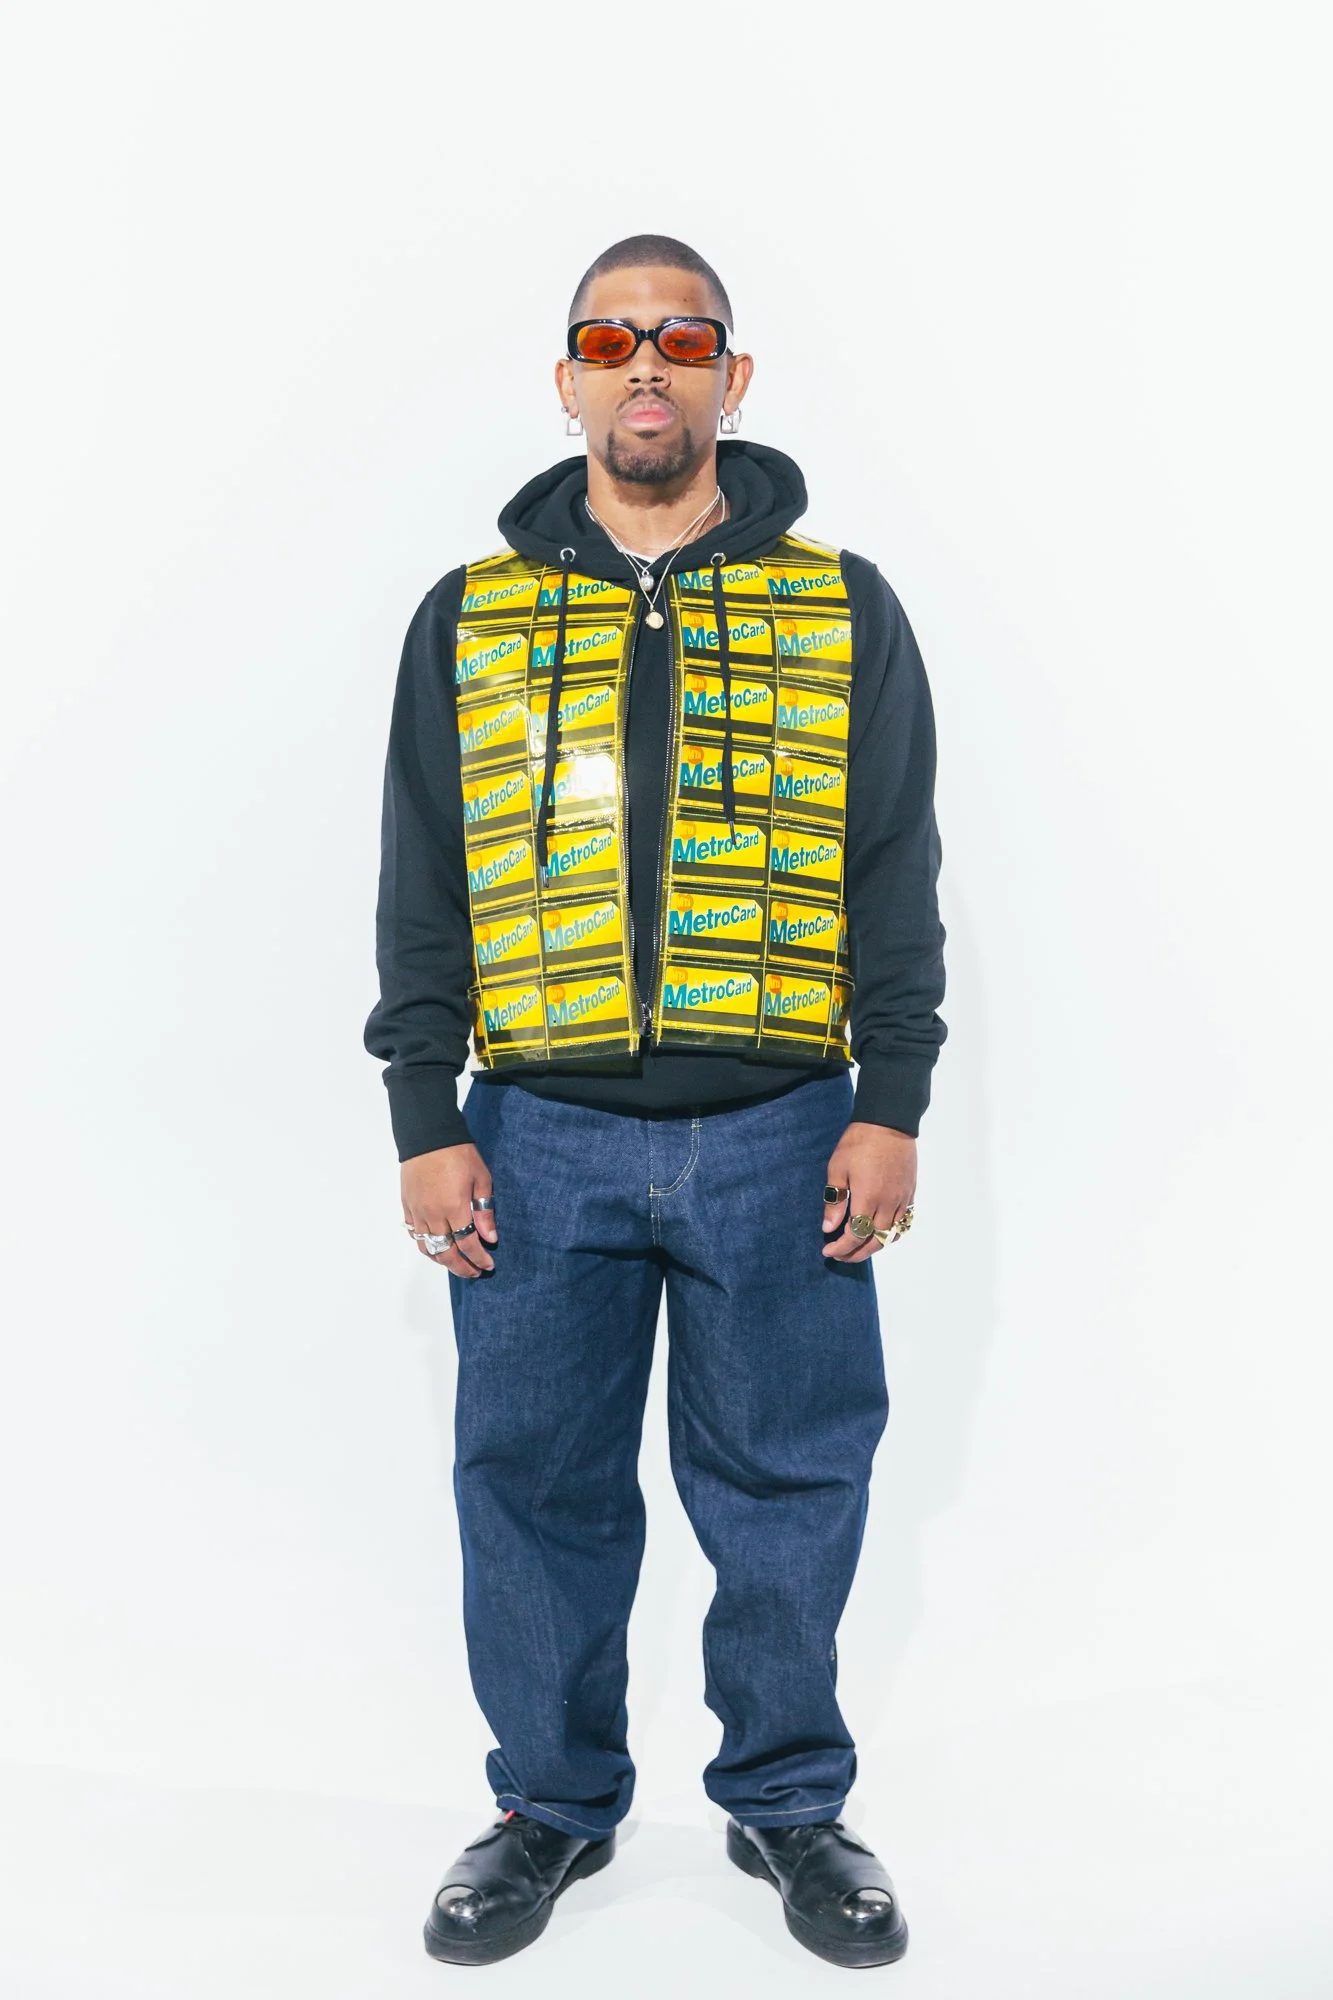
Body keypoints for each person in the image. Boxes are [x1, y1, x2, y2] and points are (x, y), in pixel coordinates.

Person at [363, 233, 948, 1970]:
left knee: (790, 1483)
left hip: (786, 1129)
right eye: (611, 340)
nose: (646, 366)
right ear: (566, 380)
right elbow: (421, 877)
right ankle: (550, 1806)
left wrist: (895, 1094)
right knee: (532, 1482)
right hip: (534, 1135)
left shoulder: (843, 606)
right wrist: (425, 1112)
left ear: (730, 381)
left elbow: (894, 866)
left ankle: (789, 1804)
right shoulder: (470, 615)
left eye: (682, 340)